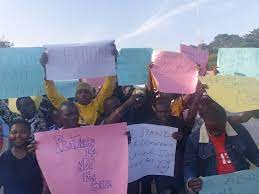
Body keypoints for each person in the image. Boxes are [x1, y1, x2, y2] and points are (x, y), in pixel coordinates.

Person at [184, 102, 259, 193]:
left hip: (241, 184)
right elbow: (189, 164)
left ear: (225, 121)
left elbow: (254, 154)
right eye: (211, 129)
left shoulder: (239, 130)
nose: (216, 133)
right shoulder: (194, 139)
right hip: (214, 188)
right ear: (204, 121)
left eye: (219, 129)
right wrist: (191, 180)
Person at [40, 51, 117, 126]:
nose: (83, 94)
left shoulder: (97, 104)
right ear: (76, 96)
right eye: (79, 92)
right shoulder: (70, 107)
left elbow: (108, 87)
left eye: (86, 92)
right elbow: (54, 96)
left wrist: (112, 63)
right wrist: (46, 71)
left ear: (92, 95)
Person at [141, 99, 190, 194]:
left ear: (170, 110)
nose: (163, 114)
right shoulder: (149, 125)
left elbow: (189, 141)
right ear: (155, 111)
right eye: (160, 112)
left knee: (180, 191)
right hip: (160, 170)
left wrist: (182, 137)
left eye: (166, 111)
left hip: (177, 167)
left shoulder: (179, 122)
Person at [0, 119, 47, 194]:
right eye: (14, 132)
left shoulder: (38, 156)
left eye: (22, 132)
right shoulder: (3, 159)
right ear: (9, 134)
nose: (18, 135)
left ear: (29, 134)